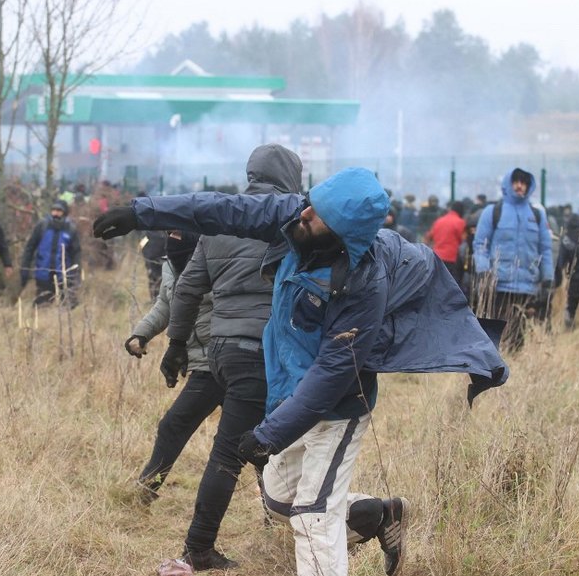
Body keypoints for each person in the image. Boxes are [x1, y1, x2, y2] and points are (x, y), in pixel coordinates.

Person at [94, 166, 509, 576]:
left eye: (317, 213)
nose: (304, 213)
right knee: (279, 501)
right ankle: (379, 517)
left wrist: (269, 434)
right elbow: (221, 210)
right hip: (288, 393)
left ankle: (330, 525)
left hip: (339, 405)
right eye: (310, 203)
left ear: (341, 232)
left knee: (313, 512)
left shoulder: (365, 283)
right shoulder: (295, 215)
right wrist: (141, 213)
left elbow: (333, 371)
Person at [156, 144, 303, 571]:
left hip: (221, 350)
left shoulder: (220, 224)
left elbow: (186, 290)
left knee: (263, 441)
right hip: (264, 351)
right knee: (231, 452)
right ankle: (198, 548)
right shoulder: (290, 222)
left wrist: (176, 344)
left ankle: (273, 522)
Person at [124, 231, 219, 504]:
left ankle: (145, 490)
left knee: (175, 425)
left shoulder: (216, 262)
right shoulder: (171, 263)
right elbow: (166, 303)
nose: (178, 265)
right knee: (249, 434)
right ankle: (146, 491)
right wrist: (140, 334)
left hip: (222, 359)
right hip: (199, 360)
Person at [472, 168, 554, 351]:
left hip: (527, 285)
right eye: (516, 181)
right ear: (508, 184)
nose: (519, 185)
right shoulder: (493, 211)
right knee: (498, 330)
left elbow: (545, 249)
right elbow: (480, 245)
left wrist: (548, 278)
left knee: (519, 332)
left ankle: (515, 367)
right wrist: (484, 271)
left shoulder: (537, 214)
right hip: (499, 283)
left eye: (523, 182)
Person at [19, 200, 81, 308]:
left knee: (66, 308)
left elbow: (76, 254)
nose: (55, 213)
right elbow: (30, 247)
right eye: (54, 210)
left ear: (65, 212)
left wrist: (76, 274)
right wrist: (25, 268)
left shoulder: (71, 229)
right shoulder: (42, 225)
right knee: (41, 306)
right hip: (43, 273)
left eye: (59, 210)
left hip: (63, 275)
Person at [426, 201, 466, 285]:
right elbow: (462, 240)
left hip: (436, 257)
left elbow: (429, 236)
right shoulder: (460, 222)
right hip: (452, 259)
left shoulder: (439, 221)